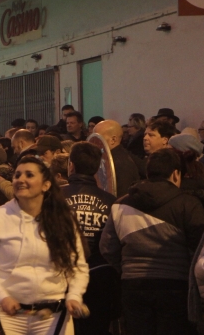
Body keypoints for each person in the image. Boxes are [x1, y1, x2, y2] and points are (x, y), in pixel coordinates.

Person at [0, 157, 89, 335]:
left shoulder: (63, 219)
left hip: (53, 316)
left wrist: (74, 295)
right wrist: (1, 297)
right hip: (6, 316)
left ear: (46, 185)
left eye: (29, 175)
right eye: (17, 175)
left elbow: (77, 266)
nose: (21, 179)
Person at [100, 148, 204, 335]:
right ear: (176, 174)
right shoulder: (188, 204)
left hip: (132, 285)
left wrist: (125, 268)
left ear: (148, 172)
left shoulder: (120, 204)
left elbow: (107, 247)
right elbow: (199, 249)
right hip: (175, 287)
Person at [61, 142, 118, 335]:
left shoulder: (55, 197)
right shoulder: (111, 202)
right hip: (100, 275)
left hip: (63, 274)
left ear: (71, 165)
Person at [94, 119, 143, 197]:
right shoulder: (111, 159)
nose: (94, 141)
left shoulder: (121, 164)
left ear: (113, 140)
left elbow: (122, 197)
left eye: (98, 138)